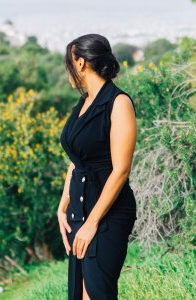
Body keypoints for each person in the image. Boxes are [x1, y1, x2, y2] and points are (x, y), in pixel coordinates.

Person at [58, 33, 137, 300]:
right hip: (79, 214)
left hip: (108, 214)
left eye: (69, 63)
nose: (67, 70)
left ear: (80, 63)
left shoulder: (118, 102)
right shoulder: (82, 104)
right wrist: (63, 205)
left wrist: (92, 222)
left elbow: (121, 170)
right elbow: (76, 160)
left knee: (97, 293)